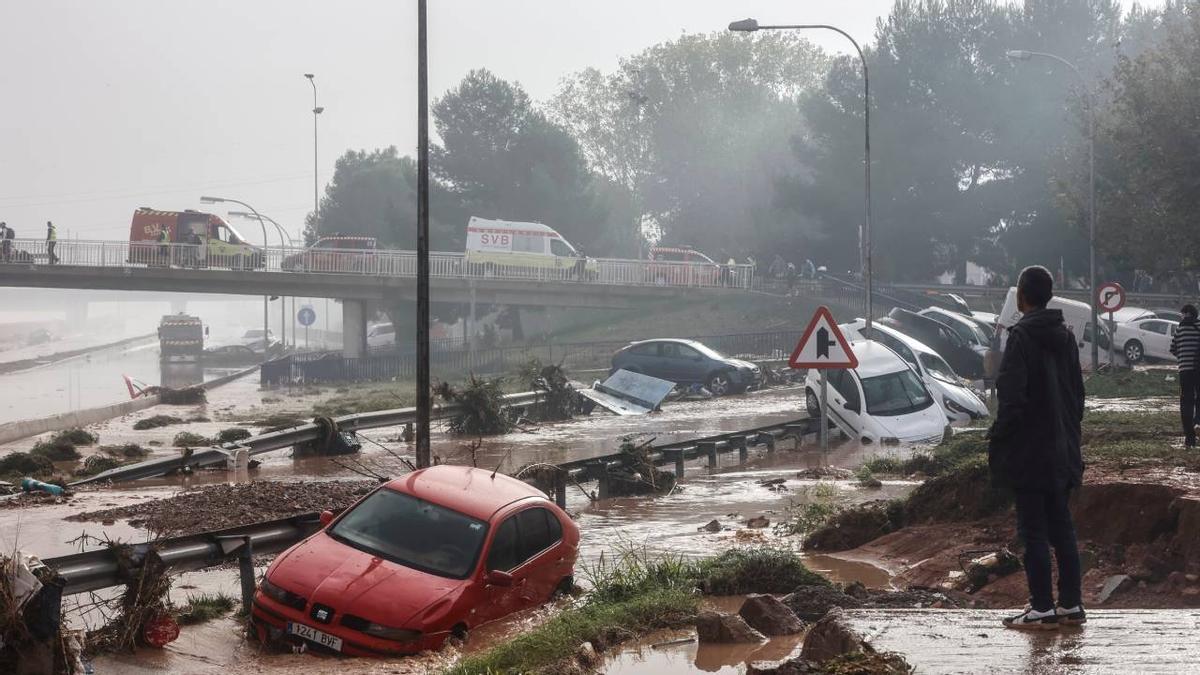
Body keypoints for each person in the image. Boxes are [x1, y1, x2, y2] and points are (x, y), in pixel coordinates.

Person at [990, 266, 1085, 630]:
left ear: (1021, 296)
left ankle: (1041, 606)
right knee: (1062, 528)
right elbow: (1078, 397)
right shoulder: (1066, 337)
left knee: (1033, 531)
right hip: (1063, 450)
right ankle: (1071, 605)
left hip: (1030, 452)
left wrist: (1000, 439)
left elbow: (1011, 399)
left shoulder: (1021, 338)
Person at [1170, 304, 1200, 448]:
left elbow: (1173, 349)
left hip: (1184, 371)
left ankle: (1189, 438)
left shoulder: (1179, 329)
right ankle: (1198, 422)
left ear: (1186, 314)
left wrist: (1183, 356)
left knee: (1186, 402)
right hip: (1198, 370)